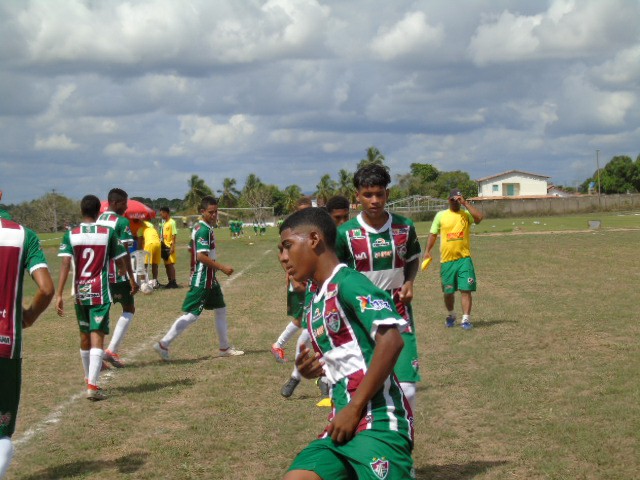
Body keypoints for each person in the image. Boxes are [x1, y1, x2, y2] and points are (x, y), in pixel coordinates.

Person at [279, 208, 414, 480]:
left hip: (378, 421)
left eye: (288, 246)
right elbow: (350, 354)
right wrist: (313, 370)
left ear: (314, 239)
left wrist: (354, 408)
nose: (283, 257)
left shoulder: (349, 282)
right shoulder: (314, 299)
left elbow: (391, 341)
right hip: (340, 425)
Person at [335, 164, 422, 412]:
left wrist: (408, 282)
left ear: (387, 194)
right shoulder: (345, 234)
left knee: (407, 388)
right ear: (357, 196)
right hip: (359, 314)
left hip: (397, 310)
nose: (374, 200)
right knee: (363, 389)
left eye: (379, 194)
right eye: (368, 195)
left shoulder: (404, 226)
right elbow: (336, 273)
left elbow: (412, 259)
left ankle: (404, 433)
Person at [56, 195, 137, 401]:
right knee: (97, 336)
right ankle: (92, 385)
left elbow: (65, 264)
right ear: (98, 211)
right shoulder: (107, 233)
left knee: (85, 336)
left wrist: (59, 294)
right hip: (99, 291)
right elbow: (120, 258)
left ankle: (88, 377)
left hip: (79, 292)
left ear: (81, 211)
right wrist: (125, 273)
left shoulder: (71, 234)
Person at [154, 196, 244, 360]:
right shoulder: (204, 230)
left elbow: (191, 248)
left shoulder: (198, 227)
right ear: (202, 211)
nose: (214, 215)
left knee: (221, 309)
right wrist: (222, 268)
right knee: (192, 315)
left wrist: (192, 269)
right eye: (211, 212)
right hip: (203, 277)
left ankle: (224, 348)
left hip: (209, 277)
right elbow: (201, 256)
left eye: (216, 211)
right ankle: (163, 344)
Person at [0, 217, 54, 477]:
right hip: (5, 342)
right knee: (2, 434)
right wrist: (30, 316)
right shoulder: (23, 235)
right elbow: (46, 288)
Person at [272, 196, 329, 399]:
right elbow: (284, 255)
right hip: (311, 289)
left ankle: (322, 379)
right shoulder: (293, 232)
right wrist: (293, 278)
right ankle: (299, 378)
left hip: (327, 288)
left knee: (320, 334)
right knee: (307, 332)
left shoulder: (322, 232)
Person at [423, 188, 483, 330]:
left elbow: (479, 218)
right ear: (448, 200)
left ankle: (466, 319)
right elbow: (433, 234)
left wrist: (465, 203)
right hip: (447, 261)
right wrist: (427, 251)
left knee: (466, 289)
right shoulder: (441, 216)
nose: (455, 202)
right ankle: (451, 315)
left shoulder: (466, 215)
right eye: (453, 199)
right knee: (448, 292)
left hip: (464, 259)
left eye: (458, 199)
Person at [96, 188, 136, 368]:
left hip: (99, 274)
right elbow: (125, 252)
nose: (126, 207)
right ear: (114, 203)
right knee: (129, 308)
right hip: (117, 274)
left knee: (100, 315)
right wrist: (132, 278)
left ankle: (98, 359)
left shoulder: (98, 220)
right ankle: (111, 350)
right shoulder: (121, 222)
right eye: (124, 203)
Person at [132, 219, 162, 288]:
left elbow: (139, 244)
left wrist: (139, 254)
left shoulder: (140, 230)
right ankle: (155, 282)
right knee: (155, 264)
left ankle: (143, 283)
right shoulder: (152, 228)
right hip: (158, 244)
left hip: (149, 244)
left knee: (144, 265)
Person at [159, 207, 179, 289]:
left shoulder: (172, 222)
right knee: (166, 265)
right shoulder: (164, 223)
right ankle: (170, 281)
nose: (161, 215)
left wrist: (172, 247)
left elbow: (174, 235)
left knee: (170, 265)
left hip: (169, 246)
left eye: (161, 214)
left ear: (166, 213)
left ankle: (174, 282)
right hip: (164, 246)